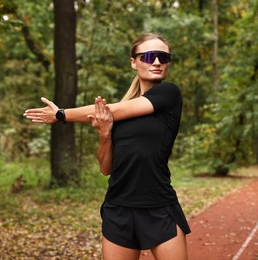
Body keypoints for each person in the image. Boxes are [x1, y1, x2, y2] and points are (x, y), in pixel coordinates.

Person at [24, 33, 191, 260]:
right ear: (134, 62)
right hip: (118, 208)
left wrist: (61, 114)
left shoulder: (169, 93)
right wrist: (104, 135)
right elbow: (106, 168)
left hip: (158, 206)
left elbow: (108, 111)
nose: (157, 62)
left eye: (163, 57)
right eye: (149, 56)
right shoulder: (120, 114)